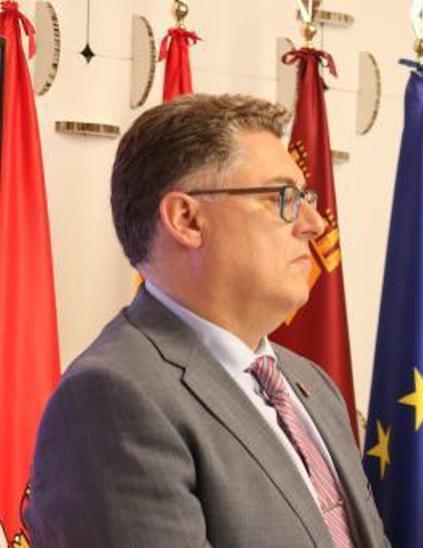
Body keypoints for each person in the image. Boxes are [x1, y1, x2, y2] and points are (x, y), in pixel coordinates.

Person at [24, 94, 389, 547]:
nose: (313, 223)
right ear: (187, 219)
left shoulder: (308, 384)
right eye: (283, 197)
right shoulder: (113, 397)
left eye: (306, 197)